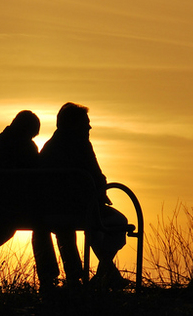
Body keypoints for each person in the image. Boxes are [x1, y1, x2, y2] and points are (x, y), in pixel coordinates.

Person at [31, 102, 129, 290]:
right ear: (74, 124)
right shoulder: (80, 144)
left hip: (55, 207)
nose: (89, 127)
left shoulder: (50, 146)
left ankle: (99, 275)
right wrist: (100, 195)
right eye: (86, 123)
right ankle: (105, 272)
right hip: (79, 207)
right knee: (119, 222)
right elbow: (96, 175)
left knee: (85, 227)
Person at [0, 110, 41, 254]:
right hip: (13, 205)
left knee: (6, 231)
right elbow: (35, 177)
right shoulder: (27, 147)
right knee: (37, 223)